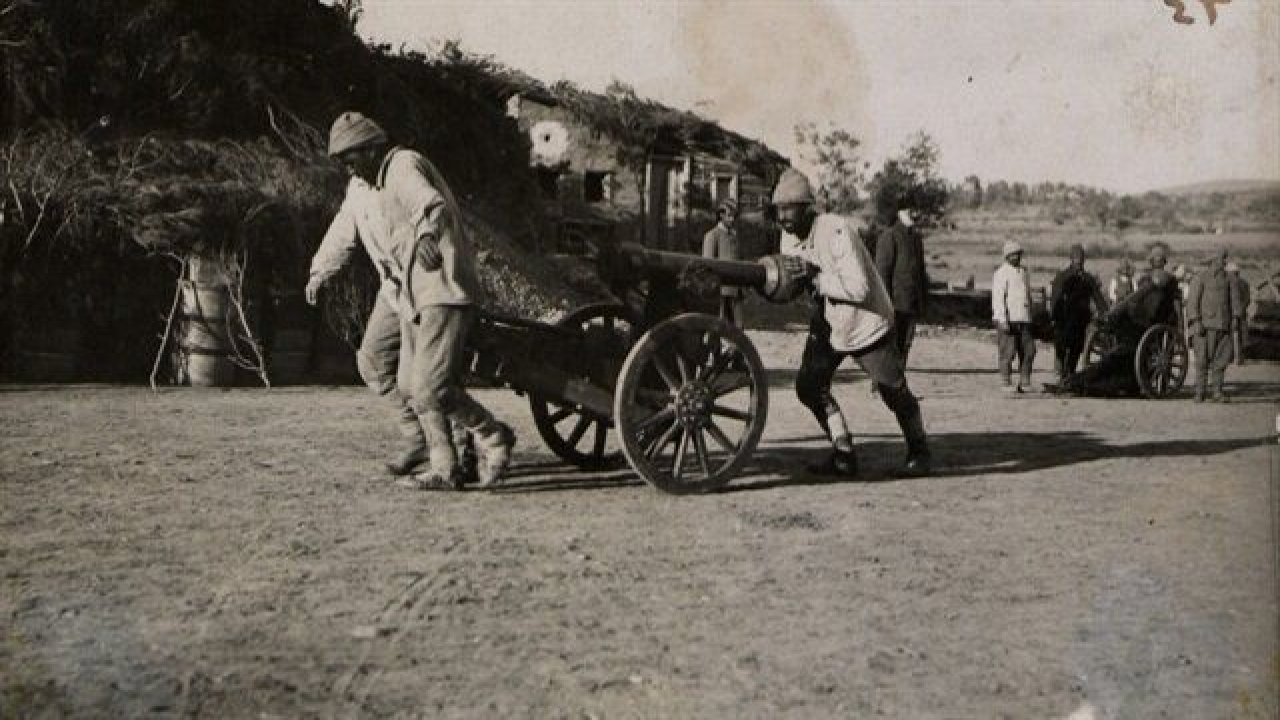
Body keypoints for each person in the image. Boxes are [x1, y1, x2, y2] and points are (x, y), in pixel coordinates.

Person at [307, 111, 515, 488]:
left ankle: (493, 436)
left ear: (371, 149)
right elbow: (344, 228)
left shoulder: (402, 166)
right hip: (409, 292)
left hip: (441, 287)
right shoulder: (364, 185)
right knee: (407, 383)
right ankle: (443, 466)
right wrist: (320, 270)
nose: (349, 170)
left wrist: (424, 236)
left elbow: (430, 204)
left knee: (430, 386)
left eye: (351, 159)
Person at [772, 168, 930, 478]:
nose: (783, 217)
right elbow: (793, 282)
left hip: (865, 320)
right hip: (830, 319)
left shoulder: (836, 230)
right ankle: (843, 452)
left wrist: (815, 276)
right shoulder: (788, 236)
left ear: (807, 208)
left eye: (789, 209)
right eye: (779, 210)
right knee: (809, 386)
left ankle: (919, 450)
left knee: (892, 390)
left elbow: (859, 288)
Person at [1056, 269, 1181, 397]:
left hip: (1141, 341)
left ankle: (1074, 383)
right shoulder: (1153, 299)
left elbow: (1159, 324)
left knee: (1108, 367)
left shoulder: (1160, 302)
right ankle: (1073, 382)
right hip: (1135, 339)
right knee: (1106, 366)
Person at [1185, 248, 1244, 402]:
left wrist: (1236, 318)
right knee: (1202, 361)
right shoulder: (1201, 278)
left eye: (1224, 259)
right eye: (1220, 259)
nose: (1224, 262)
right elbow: (1192, 302)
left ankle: (1217, 392)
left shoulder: (1230, 278)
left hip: (1224, 325)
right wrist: (1196, 321)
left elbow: (1235, 301)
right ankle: (1200, 392)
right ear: (1212, 261)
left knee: (1221, 361)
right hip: (1204, 326)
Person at [874, 203, 929, 365]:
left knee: (905, 344)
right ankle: (879, 385)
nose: (914, 212)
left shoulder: (916, 238)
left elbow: (921, 273)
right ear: (900, 212)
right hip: (893, 304)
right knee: (889, 345)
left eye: (915, 208)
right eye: (909, 209)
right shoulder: (889, 236)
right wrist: (884, 304)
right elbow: (882, 273)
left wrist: (923, 302)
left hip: (911, 304)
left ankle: (897, 384)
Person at [1049, 244, 1108, 380]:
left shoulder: (1088, 278)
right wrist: (1054, 317)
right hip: (1065, 319)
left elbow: (1098, 298)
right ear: (1071, 258)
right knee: (1062, 347)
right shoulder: (1062, 277)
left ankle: (1070, 374)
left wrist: (1105, 313)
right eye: (1076, 257)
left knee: (1077, 347)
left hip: (1081, 319)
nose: (1078, 260)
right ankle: (1060, 375)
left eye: (1080, 257)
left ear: (1084, 259)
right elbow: (1055, 298)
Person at [992, 240, 1037, 393]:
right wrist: (1002, 320)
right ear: (1007, 256)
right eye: (1013, 255)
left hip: (1024, 318)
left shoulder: (1024, 272)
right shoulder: (1001, 273)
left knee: (1029, 351)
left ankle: (1025, 381)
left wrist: (1031, 315)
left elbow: (1028, 296)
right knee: (1007, 352)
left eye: (1018, 254)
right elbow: (998, 299)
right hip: (1008, 320)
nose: (1016, 257)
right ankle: (1006, 382)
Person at [701, 197, 743, 324]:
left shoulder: (734, 236)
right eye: (729, 216)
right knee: (719, 324)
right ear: (721, 215)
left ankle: (734, 344)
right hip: (720, 290)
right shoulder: (712, 235)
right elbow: (708, 264)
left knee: (737, 326)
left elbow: (738, 260)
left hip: (735, 289)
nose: (732, 219)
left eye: (734, 216)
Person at [1226, 262, 1251, 364]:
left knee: (1231, 334)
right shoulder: (1245, 283)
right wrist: (1242, 307)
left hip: (1231, 312)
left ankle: (1231, 357)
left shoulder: (1228, 282)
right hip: (1242, 312)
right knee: (1242, 335)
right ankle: (1241, 357)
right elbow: (1247, 299)